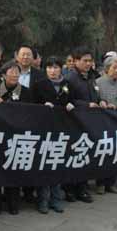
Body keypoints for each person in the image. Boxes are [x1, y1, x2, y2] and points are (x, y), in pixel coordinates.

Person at [0, 60, 33, 215]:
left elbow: (31, 113)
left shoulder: (26, 92)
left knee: (13, 169)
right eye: (11, 71)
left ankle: (13, 203)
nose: (14, 74)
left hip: (16, 136)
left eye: (17, 72)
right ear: (3, 74)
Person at [64, 47, 107, 203]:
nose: (88, 64)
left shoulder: (92, 76)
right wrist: (86, 105)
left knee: (86, 155)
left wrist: (101, 101)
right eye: (85, 61)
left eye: (90, 61)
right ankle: (70, 190)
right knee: (74, 156)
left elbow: (96, 94)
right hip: (75, 121)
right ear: (76, 61)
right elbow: (67, 100)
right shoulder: (69, 78)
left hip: (90, 121)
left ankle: (82, 189)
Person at [35, 56, 74, 214]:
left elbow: (74, 100)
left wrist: (71, 104)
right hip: (44, 130)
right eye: (49, 67)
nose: (52, 71)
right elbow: (30, 105)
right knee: (44, 165)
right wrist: (42, 106)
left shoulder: (67, 84)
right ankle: (43, 200)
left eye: (56, 67)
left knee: (57, 165)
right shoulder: (39, 85)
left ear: (61, 69)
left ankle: (56, 199)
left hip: (61, 130)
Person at [94, 56, 117, 195]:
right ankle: (100, 183)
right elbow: (96, 99)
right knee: (104, 152)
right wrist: (104, 103)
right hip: (103, 121)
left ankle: (112, 182)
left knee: (116, 152)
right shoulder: (98, 82)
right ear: (107, 69)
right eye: (114, 68)